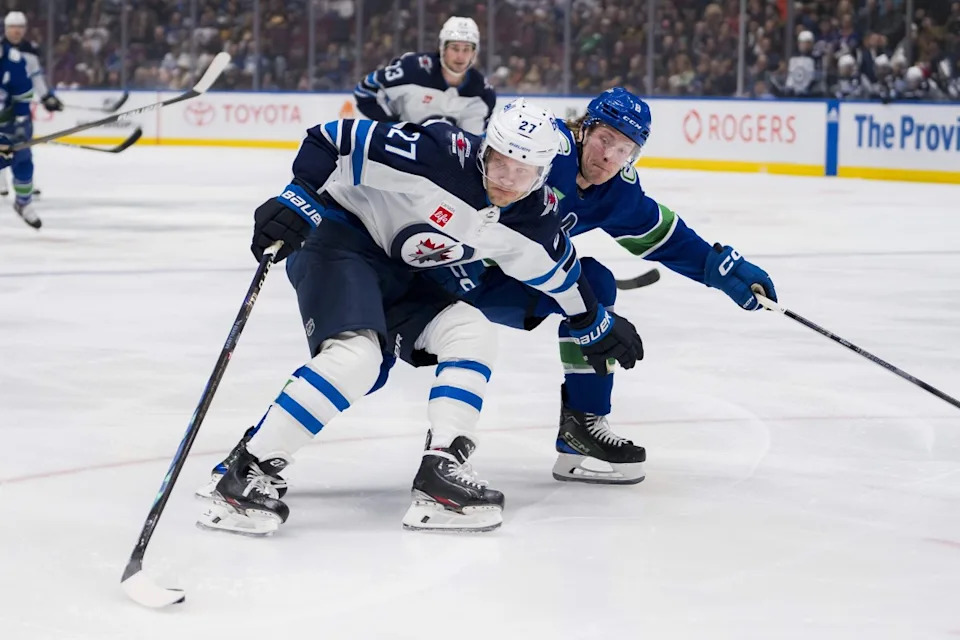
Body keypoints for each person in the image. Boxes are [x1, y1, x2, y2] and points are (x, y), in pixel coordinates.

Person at [196, 99, 644, 536]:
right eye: (501, 162)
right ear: (486, 148)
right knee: (357, 359)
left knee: (471, 332)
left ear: (543, 173)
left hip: (400, 270)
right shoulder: (439, 152)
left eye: (523, 171)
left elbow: (561, 277)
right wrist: (298, 198)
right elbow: (333, 139)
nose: (507, 180)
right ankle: (245, 472)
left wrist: (595, 323)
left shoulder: (533, 219)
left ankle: (441, 471)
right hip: (339, 238)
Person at [422, 88, 777, 485]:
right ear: (584, 129)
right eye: (605, 139)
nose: (609, 156)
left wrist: (722, 270)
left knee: (596, 285)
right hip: (438, 265)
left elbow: (666, 237)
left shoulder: (616, 190)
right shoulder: (544, 149)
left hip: (498, 283)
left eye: (624, 149)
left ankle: (581, 428)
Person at [353, 16, 495, 135]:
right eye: (455, 48)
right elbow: (365, 90)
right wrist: (391, 127)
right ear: (442, 48)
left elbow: (474, 144)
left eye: (466, 49)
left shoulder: (482, 93)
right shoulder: (413, 69)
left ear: (474, 53)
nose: (460, 56)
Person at [1, 12, 60, 204]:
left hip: (19, 107)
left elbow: (36, 78)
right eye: (12, 27)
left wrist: (46, 97)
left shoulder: (30, 52)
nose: (16, 31)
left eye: (20, 27)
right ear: (6, 28)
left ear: (25, 29)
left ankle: (26, 183)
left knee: (23, 146)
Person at [0, 27, 38, 229]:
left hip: (11, 121)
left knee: (22, 160)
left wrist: (22, 123)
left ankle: (23, 203)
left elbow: (23, 94)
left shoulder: (13, 60)